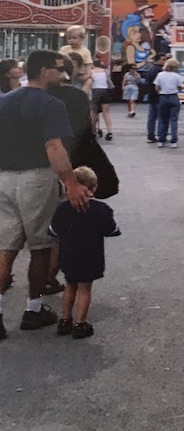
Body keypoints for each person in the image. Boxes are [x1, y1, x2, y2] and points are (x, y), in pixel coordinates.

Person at [0, 50, 92, 341]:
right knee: (41, 245)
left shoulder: (4, 102)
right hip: (37, 177)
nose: (63, 73)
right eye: (58, 68)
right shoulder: (52, 104)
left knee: (6, 247)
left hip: (4, 177)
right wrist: (71, 182)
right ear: (43, 71)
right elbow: (54, 146)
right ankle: (33, 308)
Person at [48, 166, 121, 339]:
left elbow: (53, 231)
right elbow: (111, 230)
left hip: (67, 254)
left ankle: (65, 320)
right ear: (94, 188)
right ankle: (80, 324)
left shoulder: (62, 209)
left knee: (69, 285)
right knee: (85, 289)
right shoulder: (101, 209)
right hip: (90, 255)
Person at [47, 54, 94, 296]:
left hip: (40, 163)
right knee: (64, 224)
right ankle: (52, 275)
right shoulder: (76, 96)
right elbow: (87, 129)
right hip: (69, 159)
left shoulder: (41, 94)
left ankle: (44, 278)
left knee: (47, 226)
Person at [154, 58, 184, 148]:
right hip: (174, 97)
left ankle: (161, 139)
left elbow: (157, 88)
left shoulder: (160, 75)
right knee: (174, 120)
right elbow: (180, 88)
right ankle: (174, 141)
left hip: (163, 97)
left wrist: (161, 91)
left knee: (162, 119)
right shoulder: (177, 76)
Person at [89, 59, 114, 141]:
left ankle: (93, 131)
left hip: (95, 91)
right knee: (106, 113)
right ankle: (110, 131)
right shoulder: (105, 71)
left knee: (94, 113)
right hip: (105, 91)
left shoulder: (91, 72)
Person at [145, 53, 167, 143]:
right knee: (161, 117)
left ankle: (150, 135)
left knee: (152, 117)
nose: (165, 61)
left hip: (151, 96)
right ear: (158, 60)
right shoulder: (160, 71)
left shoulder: (151, 70)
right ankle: (161, 135)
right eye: (163, 59)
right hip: (159, 97)